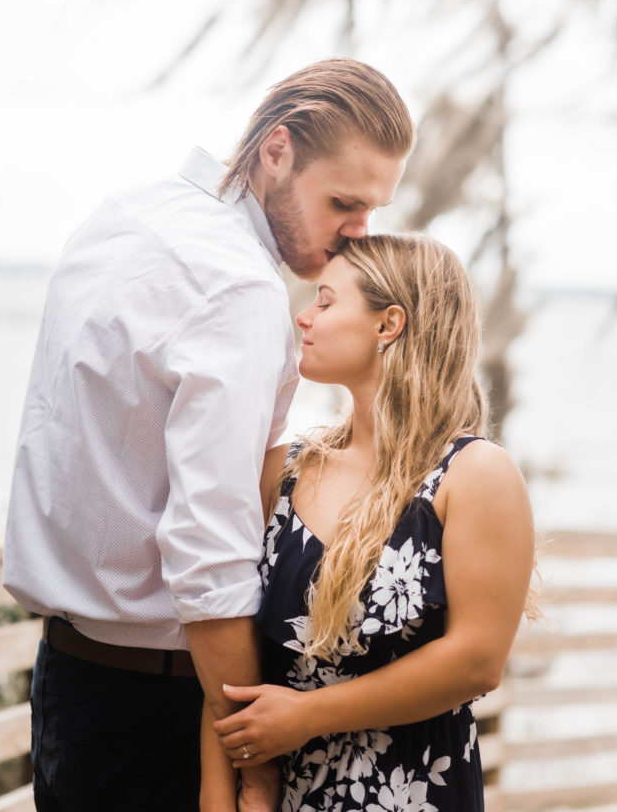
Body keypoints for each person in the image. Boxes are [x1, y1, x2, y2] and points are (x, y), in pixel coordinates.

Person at [2, 58, 415, 812]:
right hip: (152, 710)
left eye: (373, 212)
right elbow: (209, 548)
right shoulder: (238, 287)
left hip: (66, 678)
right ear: (277, 151)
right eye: (343, 205)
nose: (357, 236)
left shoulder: (126, 214)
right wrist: (250, 761)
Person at [210, 233, 537, 812]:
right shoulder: (282, 471)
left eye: (327, 302)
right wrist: (228, 793)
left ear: (389, 325)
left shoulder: (474, 474)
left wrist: (305, 717)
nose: (304, 318)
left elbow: (477, 662)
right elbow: (223, 648)